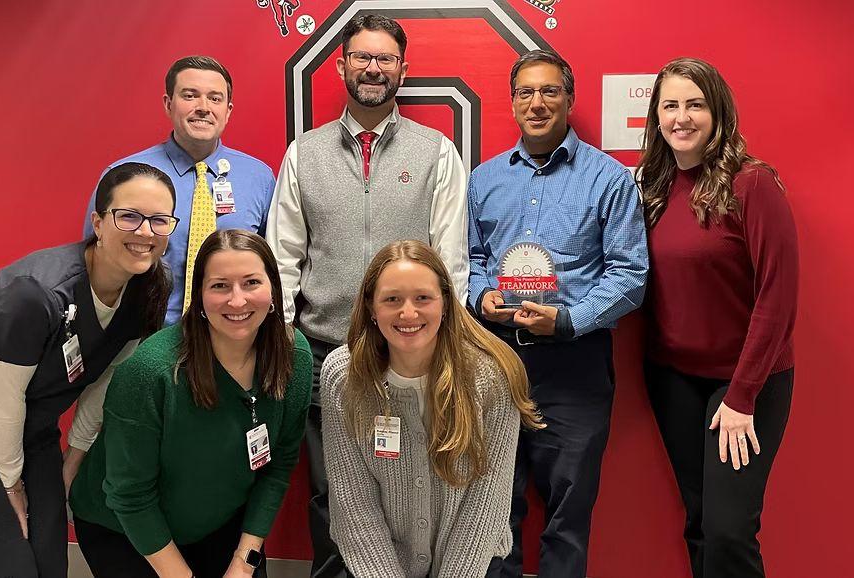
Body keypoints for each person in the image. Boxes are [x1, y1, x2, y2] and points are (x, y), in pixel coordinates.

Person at [0, 162, 177, 578]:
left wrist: (74, 457)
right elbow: (2, 397)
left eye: (159, 220)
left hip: (32, 425)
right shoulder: (37, 292)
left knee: (48, 560)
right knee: (5, 567)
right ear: (98, 223)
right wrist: (10, 484)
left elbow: (108, 380)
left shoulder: (150, 285)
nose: (145, 232)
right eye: (129, 216)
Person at [265, 14, 468, 577]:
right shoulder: (304, 154)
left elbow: (450, 262)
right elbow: (282, 259)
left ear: (403, 68)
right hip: (324, 357)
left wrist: (445, 349)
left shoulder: (436, 152)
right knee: (333, 500)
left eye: (385, 58)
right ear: (342, 66)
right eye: (362, 57)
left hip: (412, 357)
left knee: (413, 496)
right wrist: (282, 341)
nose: (373, 68)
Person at [467, 50, 649, 578]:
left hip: (575, 363)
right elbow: (470, 259)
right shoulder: (484, 179)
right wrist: (480, 296)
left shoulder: (608, 179)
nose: (537, 103)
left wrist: (566, 320)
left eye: (549, 91)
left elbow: (630, 276)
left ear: (569, 99)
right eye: (525, 92)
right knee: (492, 511)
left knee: (568, 514)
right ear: (512, 103)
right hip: (496, 360)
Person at [68, 229, 313, 578]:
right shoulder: (150, 372)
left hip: (218, 522)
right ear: (198, 297)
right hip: (125, 527)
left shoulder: (293, 356)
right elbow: (130, 496)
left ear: (274, 289)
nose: (237, 301)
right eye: (220, 286)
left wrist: (244, 563)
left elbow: (278, 467)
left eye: (251, 283)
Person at [637, 57, 797, 578]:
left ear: (718, 112)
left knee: (729, 531)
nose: (682, 117)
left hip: (744, 382)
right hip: (673, 380)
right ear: (656, 116)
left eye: (695, 105)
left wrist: (742, 396)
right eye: (670, 105)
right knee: (701, 523)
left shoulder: (753, 184)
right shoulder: (654, 187)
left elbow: (777, 298)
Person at [320, 240, 543, 578]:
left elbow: (485, 507)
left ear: (446, 304)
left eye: (423, 298)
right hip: (379, 565)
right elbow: (354, 506)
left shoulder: (492, 376)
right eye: (392, 299)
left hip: (473, 564)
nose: (408, 313)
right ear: (370, 307)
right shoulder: (344, 377)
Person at [85, 55, 277, 325]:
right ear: (168, 104)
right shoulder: (124, 177)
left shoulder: (259, 178)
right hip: (142, 335)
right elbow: (93, 264)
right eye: (190, 96)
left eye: (215, 98)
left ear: (228, 110)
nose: (203, 108)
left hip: (231, 333)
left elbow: (272, 266)